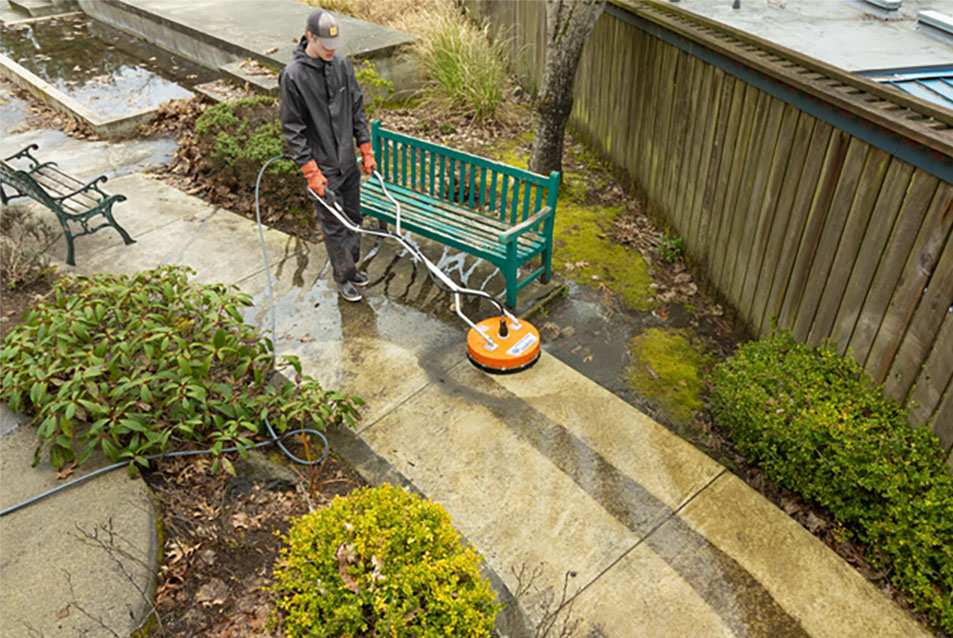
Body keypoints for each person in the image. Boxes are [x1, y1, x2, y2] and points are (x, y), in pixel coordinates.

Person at [279, 8, 377, 302]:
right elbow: (292, 129)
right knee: (335, 227)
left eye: (336, 45)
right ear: (310, 37)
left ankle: (353, 266)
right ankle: (343, 276)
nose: (332, 51)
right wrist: (311, 172)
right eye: (326, 45)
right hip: (322, 168)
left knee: (354, 218)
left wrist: (366, 148)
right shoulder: (293, 77)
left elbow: (356, 109)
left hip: (347, 162)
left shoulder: (342, 66)